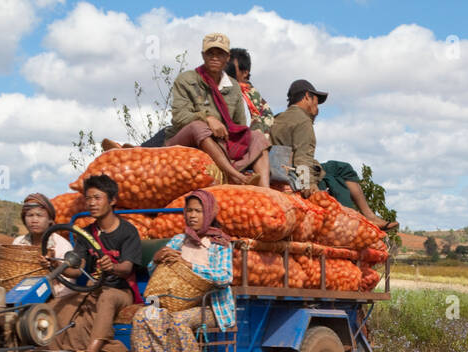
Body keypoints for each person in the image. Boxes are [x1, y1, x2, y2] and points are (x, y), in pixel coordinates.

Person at [122, 189, 234, 352]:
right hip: (175, 300)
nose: (192, 215)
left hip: (208, 307)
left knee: (177, 321)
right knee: (143, 316)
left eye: (198, 211)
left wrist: (190, 266)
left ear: (208, 213)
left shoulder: (221, 244)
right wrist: (155, 260)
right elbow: (158, 272)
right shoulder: (178, 240)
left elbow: (225, 277)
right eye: (189, 211)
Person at [270, 79, 398, 232]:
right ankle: (361, 218)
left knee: (339, 168)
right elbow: (302, 160)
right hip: (293, 175)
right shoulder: (303, 121)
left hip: (279, 169)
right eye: (316, 102)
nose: (317, 109)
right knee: (340, 176)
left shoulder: (277, 118)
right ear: (306, 97)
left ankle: (368, 215)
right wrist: (308, 188)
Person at [49, 173, 140, 352]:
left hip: (120, 292)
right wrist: (57, 266)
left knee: (106, 297)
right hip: (93, 289)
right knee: (58, 306)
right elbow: (77, 269)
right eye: (88, 198)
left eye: (97, 198)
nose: (91, 203)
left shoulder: (128, 231)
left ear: (112, 200)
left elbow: (126, 269)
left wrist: (113, 267)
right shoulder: (85, 233)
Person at [163, 33, 270, 186]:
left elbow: (240, 125)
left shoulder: (233, 86)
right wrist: (207, 118)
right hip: (187, 140)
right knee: (198, 127)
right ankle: (234, 176)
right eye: (210, 53)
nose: (214, 58)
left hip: (220, 143)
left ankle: (266, 192)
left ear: (227, 58)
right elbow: (179, 117)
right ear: (203, 55)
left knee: (257, 137)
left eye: (220, 54)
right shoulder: (187, 80)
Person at [11, 193, 72, 299]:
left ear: (50, 220)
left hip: (56, 298)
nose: (34, 220)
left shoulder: (62, 246)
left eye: (39, 215)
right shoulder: (18, 243)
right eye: (30, 215)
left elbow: (68, 285)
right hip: (22, 297)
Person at [228, 47, 273, 133]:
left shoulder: (254, 96)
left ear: (245, 73)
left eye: (231, 67)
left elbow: (268, 118)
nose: (226, 70)